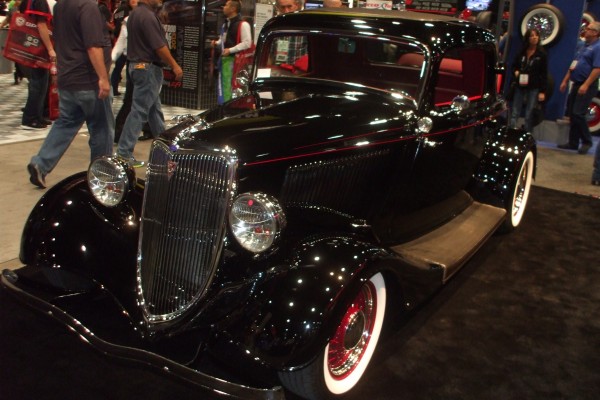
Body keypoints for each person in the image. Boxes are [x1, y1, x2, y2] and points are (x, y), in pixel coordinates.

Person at [26, 0, 114, 189]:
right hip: (88, 80)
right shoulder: (87, 7)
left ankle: (40, 164)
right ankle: (101, 177)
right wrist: (103, 77)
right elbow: (93, 46)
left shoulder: (60, 6)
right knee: (102, 129)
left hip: (68, 78)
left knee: (65, 123)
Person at [115, 0, 183, 166]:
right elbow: (159, 46)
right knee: (139, 112)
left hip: (137, 66)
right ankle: (124, 154)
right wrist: (174, 65)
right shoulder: (147, 16)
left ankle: (166, 150)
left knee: (154, 111)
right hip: (147, 68)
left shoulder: (134, 15)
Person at [558, 22, 600, 155]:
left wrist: (586, 84)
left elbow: (597, 68)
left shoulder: (598, 47)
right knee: (572, 113)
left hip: (587, 84)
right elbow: (574, 65)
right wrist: (565, 80)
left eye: (588, 29)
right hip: (576, 83)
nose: (585, 30)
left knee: (578, 113)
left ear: (595, 32)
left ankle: (587, 141)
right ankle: (573, 142)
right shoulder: (583, 46)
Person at [19, 0, 55, 130]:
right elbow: (41, 24)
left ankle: (37, 115)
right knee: (38, 84)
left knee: (41, 83)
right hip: (37, 48)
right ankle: (30, 118)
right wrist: (50, 49)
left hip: (31, 46)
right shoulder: (39, 2)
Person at [212, 0, 252, 104]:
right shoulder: (225, 24)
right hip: (225, 60)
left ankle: (232, 106)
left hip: (236, 61)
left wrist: (230, 50)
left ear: (233, 8)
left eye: (226, 5)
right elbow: (223, 40)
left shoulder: (243, 24)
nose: (224, 7)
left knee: (233, 86)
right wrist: (217, 43)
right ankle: (225, 105)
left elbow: (247, 43)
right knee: (225, 85)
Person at [508, 28, 547, 133]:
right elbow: (514, 66)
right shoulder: (521, 52)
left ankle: (527, 133)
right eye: (532, 36)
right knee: (515, 111)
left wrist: (542, 91)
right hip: (520, 85)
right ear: (527, 38)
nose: (534, 38)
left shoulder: (541, 54)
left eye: (536, 35)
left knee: (529, 113)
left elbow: (544, 73)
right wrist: (516, 72)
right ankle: (511, 132)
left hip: (534, 86)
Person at [0, 0, 25, 85]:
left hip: (24, 36)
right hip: (14, 35)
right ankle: (18, 73)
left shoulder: (27, 8)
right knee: (16, 56)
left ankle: (21, 73)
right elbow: (8, 19)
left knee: (21, 57)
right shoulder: (13, 8)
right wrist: (1, 25)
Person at [110, 0, 131, 95]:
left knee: (118, 68)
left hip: (120, 39)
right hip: (127, 43)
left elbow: (115, 23)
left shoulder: (117, 10)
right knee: (127, 70)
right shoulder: (128, 11)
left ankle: (114, 89)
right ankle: (128, 93)